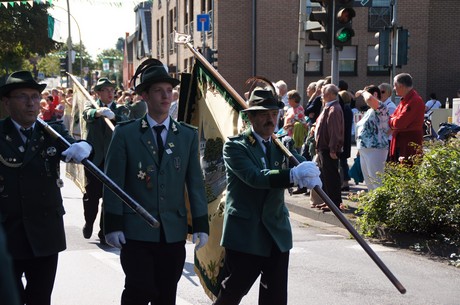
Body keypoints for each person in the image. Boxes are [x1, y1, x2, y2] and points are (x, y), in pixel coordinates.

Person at [102, 61, 209, 305]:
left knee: (166, 294)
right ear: (144, 96)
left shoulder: (187, 135)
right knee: (139, 291)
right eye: (158, 91)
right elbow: (113, 182)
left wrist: (201, 223)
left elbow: (195, 182)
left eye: (169, 91)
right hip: (136, 232)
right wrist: (113, 224)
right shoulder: (126, 133)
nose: (165, 96)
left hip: (172, 232)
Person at [213, 85, 321, 305]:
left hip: (276, 232)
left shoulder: (283, 146)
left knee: (275, 297)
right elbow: (255, 177)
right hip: (246, 233)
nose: (271, 119)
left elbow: (300, 164)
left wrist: (311, 172)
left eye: (274, 114)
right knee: (233, 291)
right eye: (264, 114)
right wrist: (292, 174)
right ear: (251, 117)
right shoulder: (236, 147)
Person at [0, 70, 92, 305]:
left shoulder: (50, 131)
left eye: (34, 96)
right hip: (8, 233)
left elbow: (72, 147)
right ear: (6, 102)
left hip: (44, 232)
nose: (31, 103)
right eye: (22, 96)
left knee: (40, 298)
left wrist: (83, 146)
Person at [81, 78, 129, 243]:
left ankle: (104, 231)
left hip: (113, 160)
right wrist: (98, 112)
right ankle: (89, 222)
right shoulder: (91, 105)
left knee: (109, 197)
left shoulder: (120, 108)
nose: (110, 93)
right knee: (91, 196)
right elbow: (87, 114)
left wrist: (114, 117)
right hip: (94, 160)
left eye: (112, 90)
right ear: (98, 93)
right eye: (106, 90)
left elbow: (127, 123)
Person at [313, 84, 344, 212]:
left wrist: (333, 148)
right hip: (323, 147)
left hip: (328, 149)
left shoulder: (334, 109)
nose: (322, 96)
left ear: (330, 94)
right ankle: (328, 202)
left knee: (331, 176)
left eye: (323, 93)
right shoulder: (329, 107)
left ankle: (334, 203)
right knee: (325, 176)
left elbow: (335, 131)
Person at [355, 85, 390, 190]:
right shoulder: (370, 111)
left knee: (377, 181)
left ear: (375, 94)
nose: (365, 100)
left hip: (376, 148)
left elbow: (370, 99)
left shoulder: (382, 107)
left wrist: (362, 91)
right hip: (365, 149)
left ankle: (381, 204)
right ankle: (373, 203)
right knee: (369, 181)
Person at [389, 73, 425, 163]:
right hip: (403, 140)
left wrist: (392, 121)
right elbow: (393, 117)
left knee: (408, 169)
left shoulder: (414, 101)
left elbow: (399, 123)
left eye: (395, 85)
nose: (394, 88)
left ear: (401, 86)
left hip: (409, 142)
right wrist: (393, 120)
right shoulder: (406, 99)